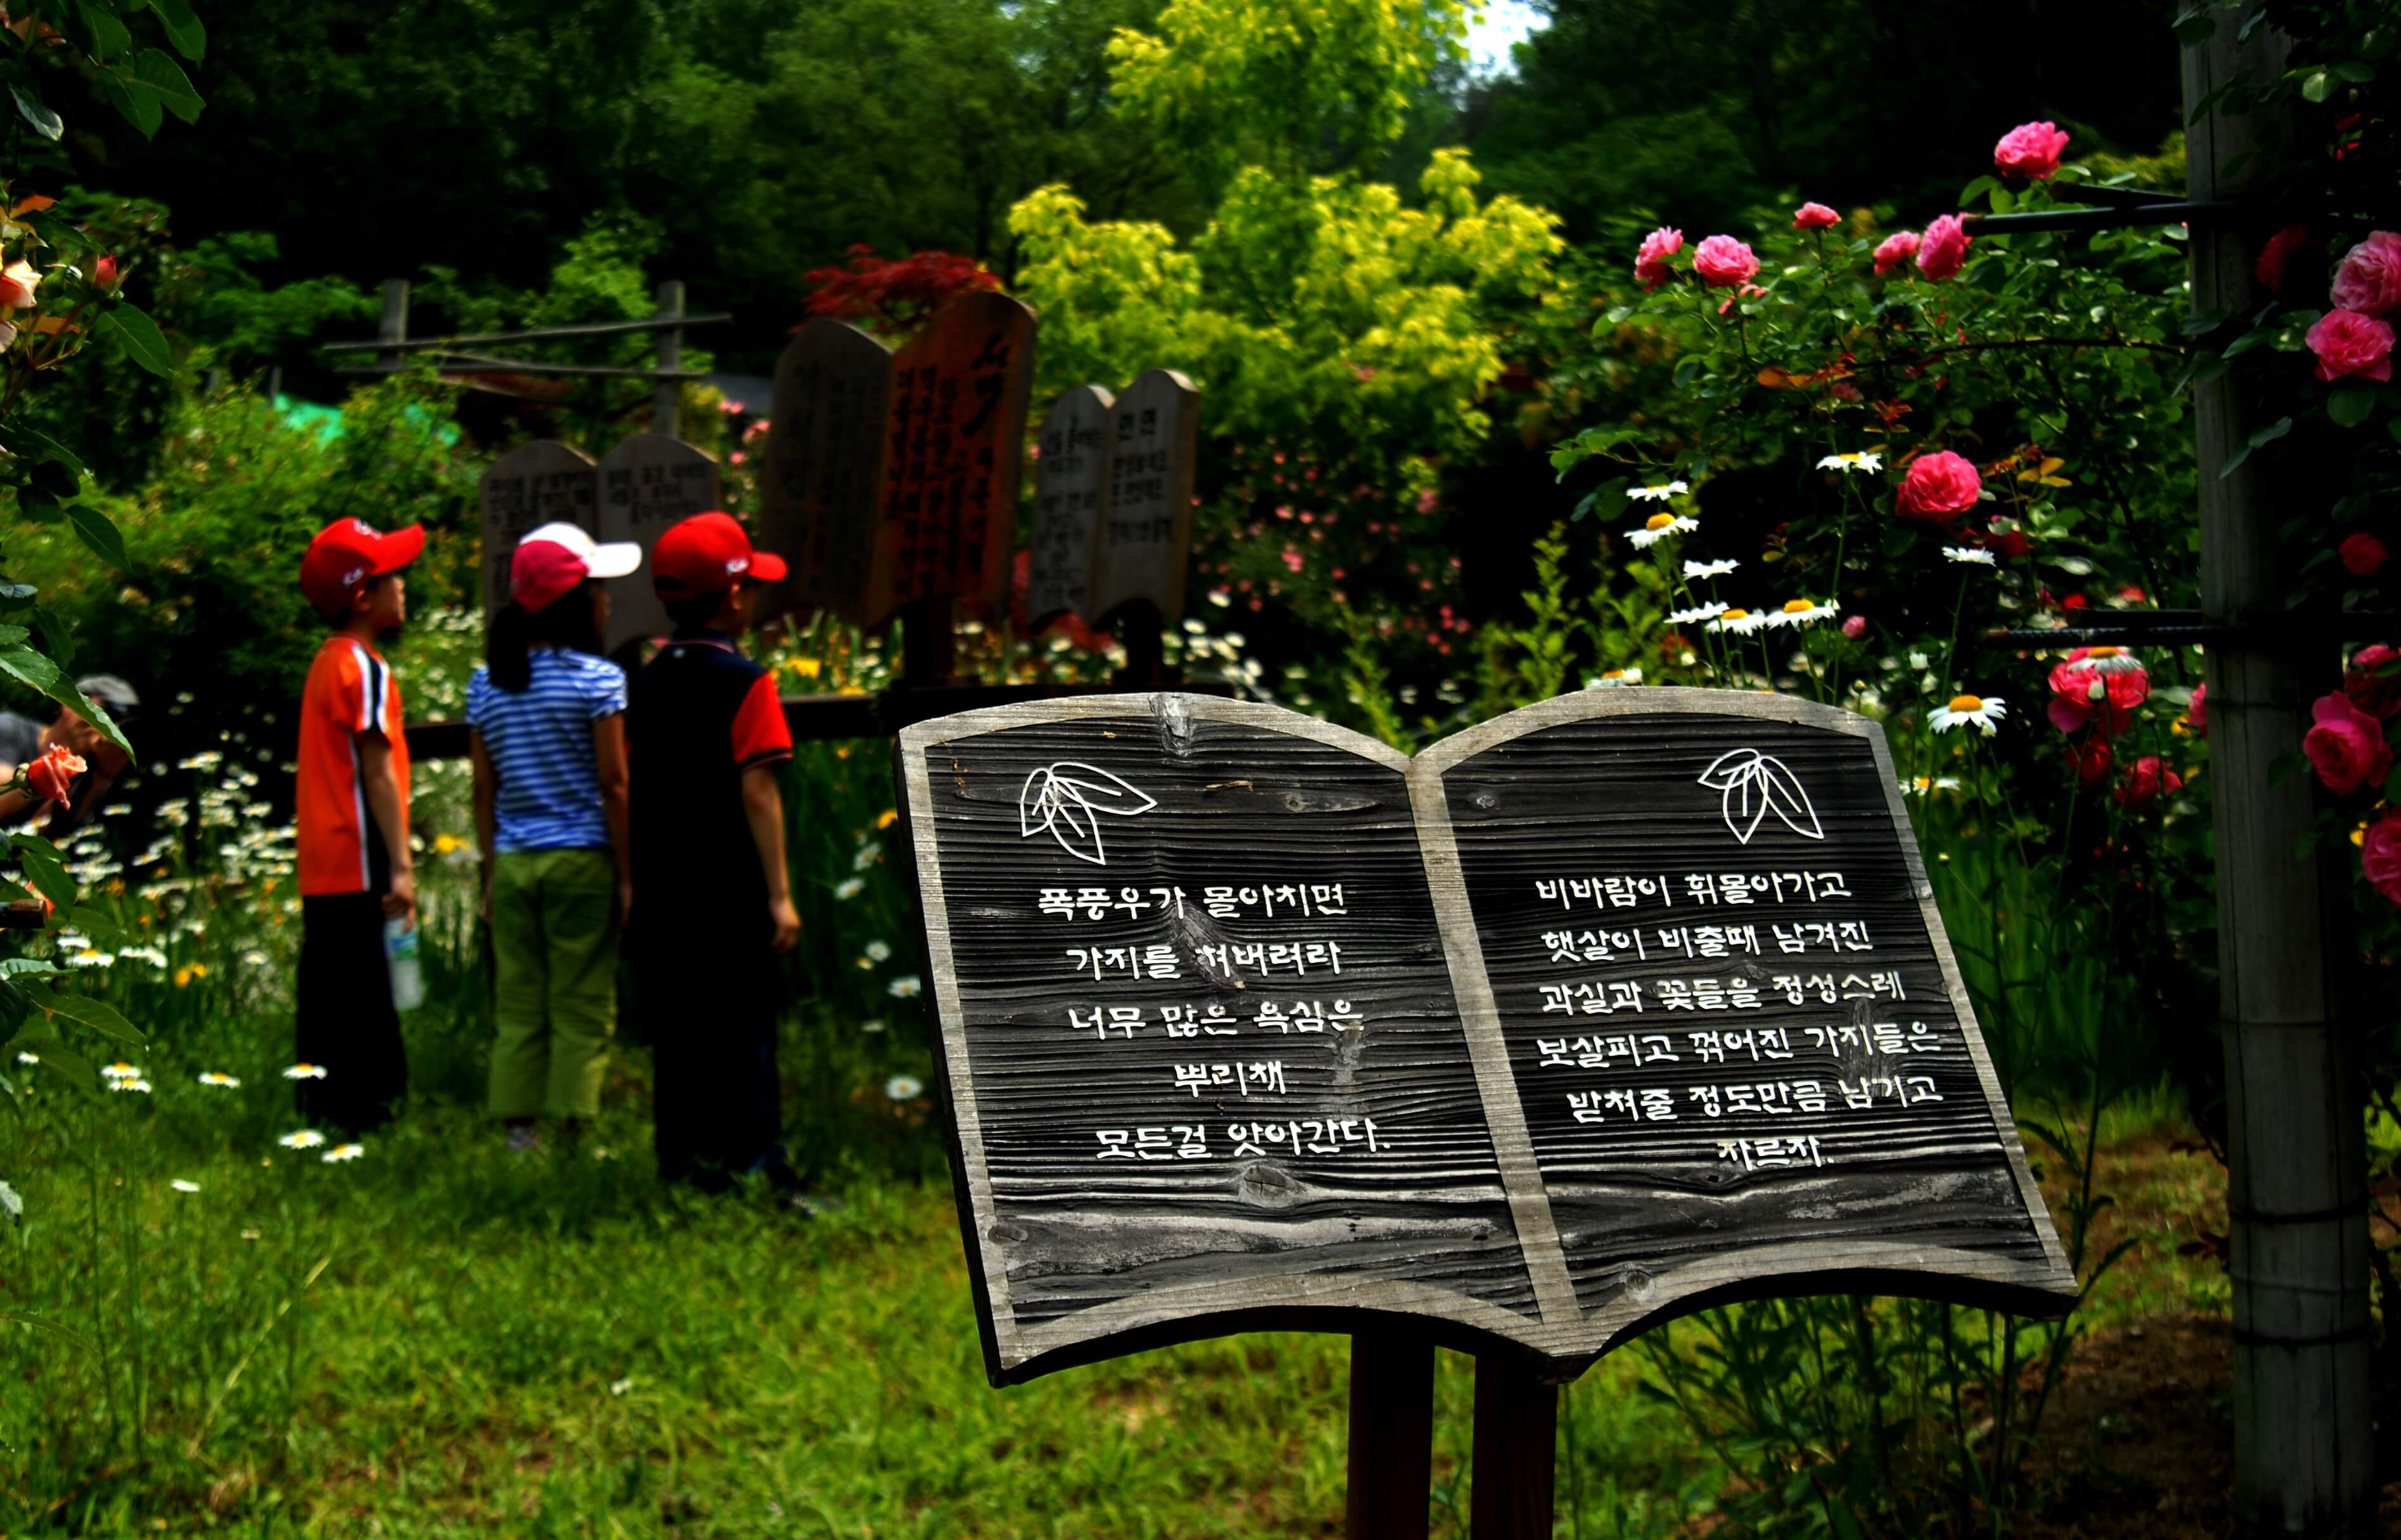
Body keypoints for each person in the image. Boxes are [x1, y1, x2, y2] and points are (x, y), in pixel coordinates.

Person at [629, 511, 802, 1191]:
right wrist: (780, 895)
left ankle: (683, 1163)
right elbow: (758, 790)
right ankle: (759, 1166)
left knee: (678, 1034)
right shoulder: (746, 682)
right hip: (730, 889)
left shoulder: (645, 679)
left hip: (664, 886)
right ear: (733, 597)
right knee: (742, 1031)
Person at [467, 523, 640, 1152]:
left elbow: (481, 789)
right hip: (581, 863)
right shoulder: (600, 682)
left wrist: (489, 874)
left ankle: (517, 1133)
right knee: (580, 1002)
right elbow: (615, 784)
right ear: (577, 602)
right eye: (597, 587)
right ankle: (571, 1131)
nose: (606, 599)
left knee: (517, 1002)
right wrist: (626, 875)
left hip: (513, 865)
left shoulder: (487, 684)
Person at [293, 516, 422, 1133]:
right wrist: (402, 864)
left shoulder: (325, 663)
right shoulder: (365, 668)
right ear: (364, 597)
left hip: (324, 859)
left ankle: (320, 1107)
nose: (405, 584)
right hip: (362, 851)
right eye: (393, 574)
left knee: (328, 991)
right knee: (367, 991)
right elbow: (377, 771)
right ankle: (369, 1113)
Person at [0, 675, 140, 830]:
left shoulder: (89, 767)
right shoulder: (9, 729)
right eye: (106, 714)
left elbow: (48, 831)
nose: (111, 728)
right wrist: (63, 758)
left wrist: (102, 776)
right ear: (69, 705)